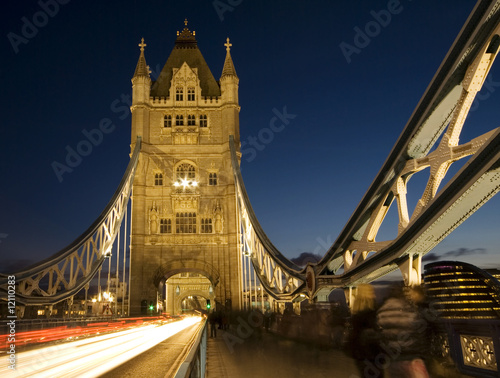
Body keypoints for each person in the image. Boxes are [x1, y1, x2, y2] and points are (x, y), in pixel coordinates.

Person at [376, 284, 430, 378]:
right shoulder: (409, 310)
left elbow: (381, 336)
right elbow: (418, 333)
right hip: (411, 358)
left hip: (392, 359)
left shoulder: (381, 311)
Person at [347, 284, 383, 377]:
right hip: (373, 356)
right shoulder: (372, 315)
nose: (374, 295)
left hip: (360, 357)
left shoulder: (355, 317)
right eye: (372, 293)